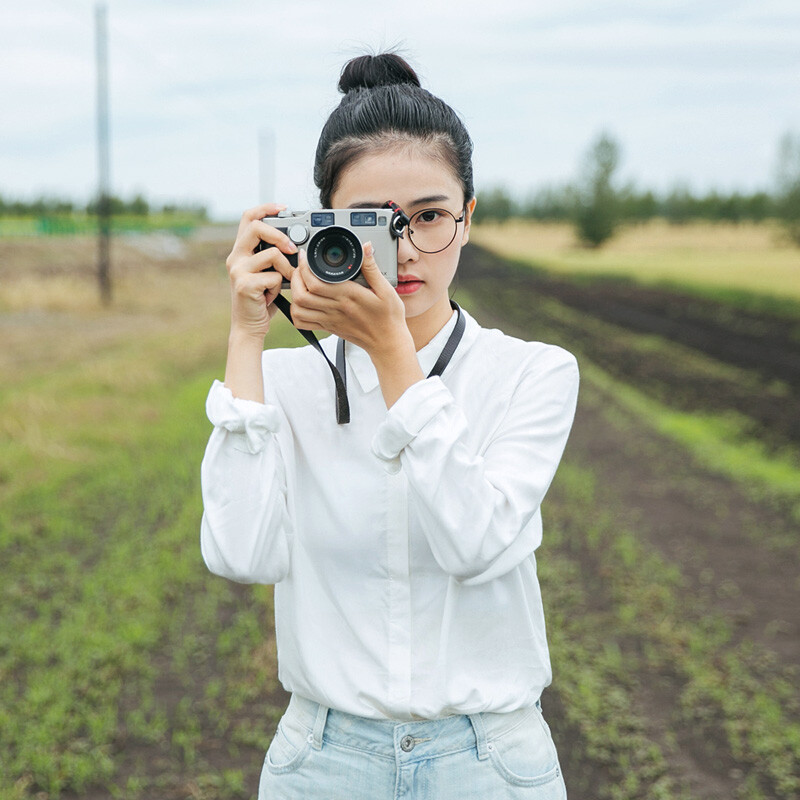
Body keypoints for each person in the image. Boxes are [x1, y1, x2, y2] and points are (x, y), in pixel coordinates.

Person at [200, 51, 579, 799]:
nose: (403, 251)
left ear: (469, 219)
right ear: (318, 228)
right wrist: (247, 333)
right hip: (322, 759)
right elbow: (241, 555)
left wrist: (392, 356)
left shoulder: (532, 373)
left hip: (490, 761)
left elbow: (476, 543)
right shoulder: (283, 380)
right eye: (373, 225)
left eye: (430, 216)